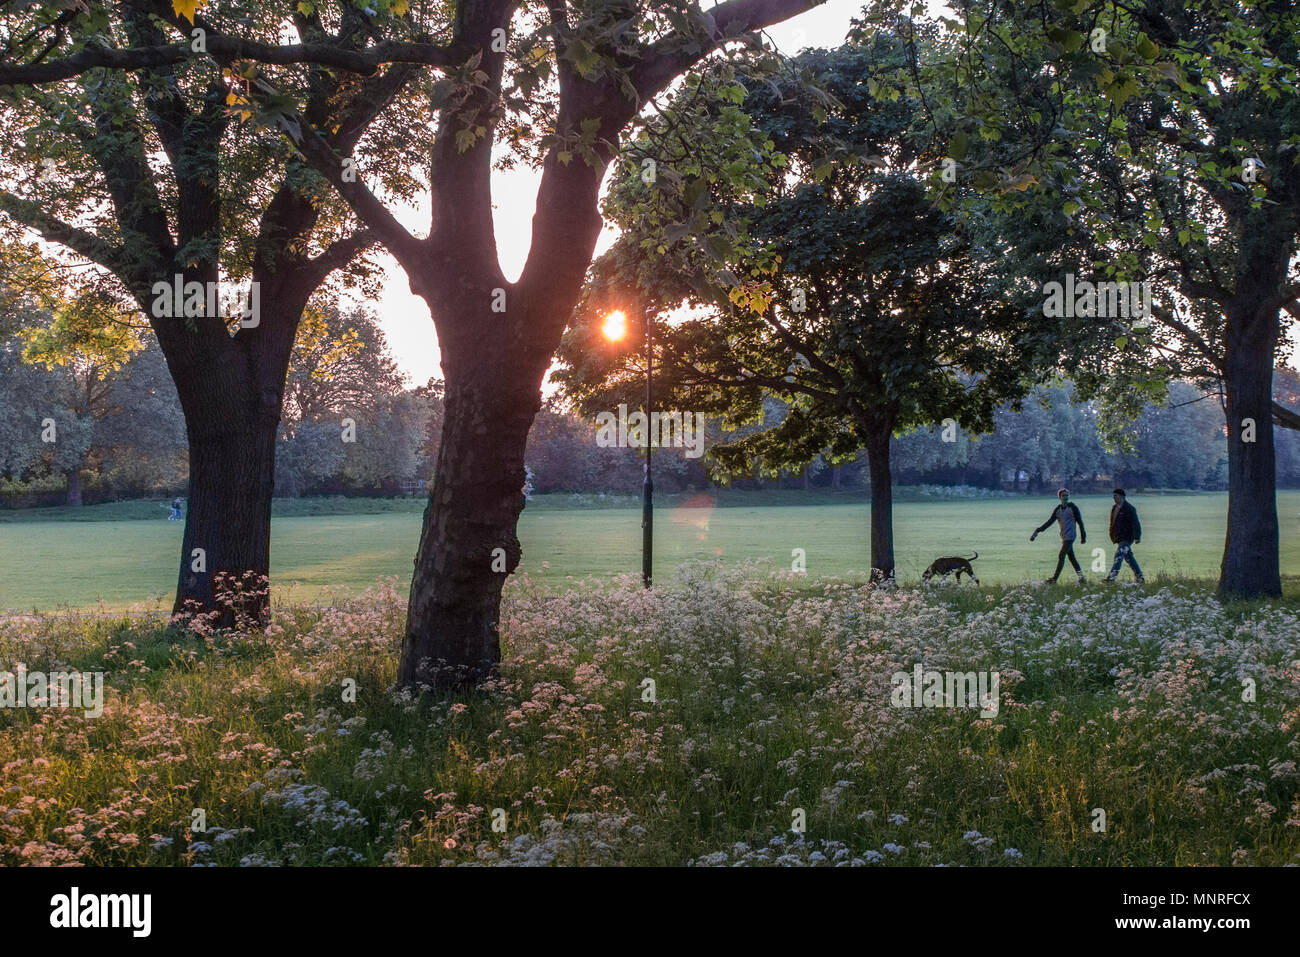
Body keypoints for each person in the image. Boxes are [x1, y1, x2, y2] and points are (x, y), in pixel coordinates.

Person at [1030, 488, 1087, 584]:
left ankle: (1054, 579)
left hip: (1070, 536)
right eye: (1064, 495)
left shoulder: (1073, 508)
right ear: (1060, 497)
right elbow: (1049, 522)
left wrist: (1083, 536)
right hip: (1064, 536)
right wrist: (1038, 530)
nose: (1066, 497)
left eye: (1067, 495)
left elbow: (1080, 522)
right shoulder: (1058, 510)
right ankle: (1082, 578)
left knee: (1061, 555)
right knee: (1071, 558)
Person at [1104, 488, 1144, 583]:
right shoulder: (1114, 508)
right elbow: (1112, 522)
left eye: (1115, 496)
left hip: (1127, 538)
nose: (1114, 498)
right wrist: (1111, 534)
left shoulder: (1129, 508)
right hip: (1119, 537)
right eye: (1113, 496)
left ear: (1122, 497)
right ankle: (1140, 578)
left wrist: (1137, 536)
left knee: (1118, 556)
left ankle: (1111, 578)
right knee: (1129, 558)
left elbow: (1136, 523)